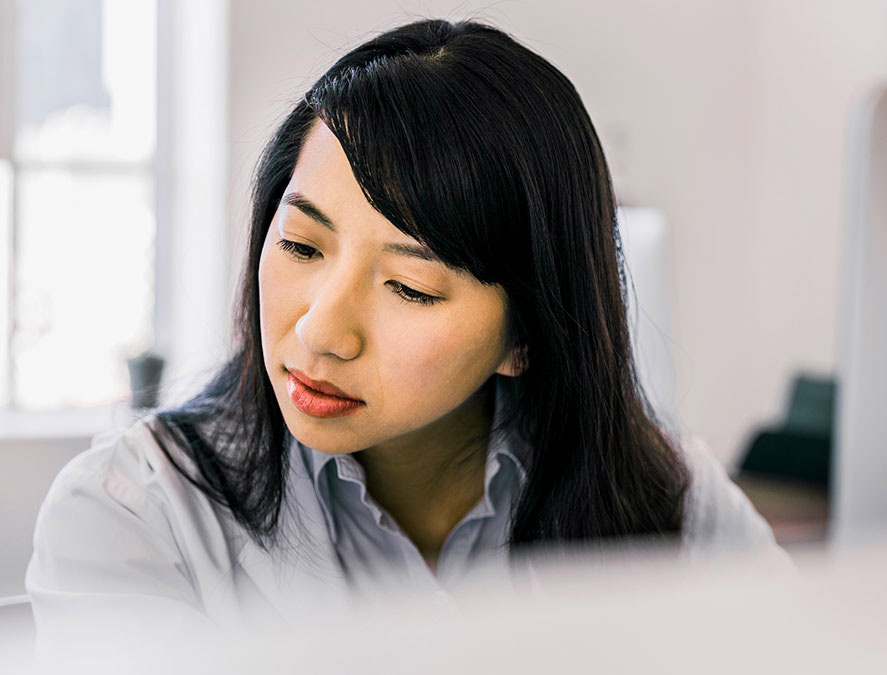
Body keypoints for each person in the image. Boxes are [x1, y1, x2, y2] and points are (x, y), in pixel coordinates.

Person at [25, 17, 791, 660]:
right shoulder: (128, 516)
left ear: (526, 335)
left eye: (410, 287)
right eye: (299, 245)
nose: (320, 329)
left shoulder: (668, 499)